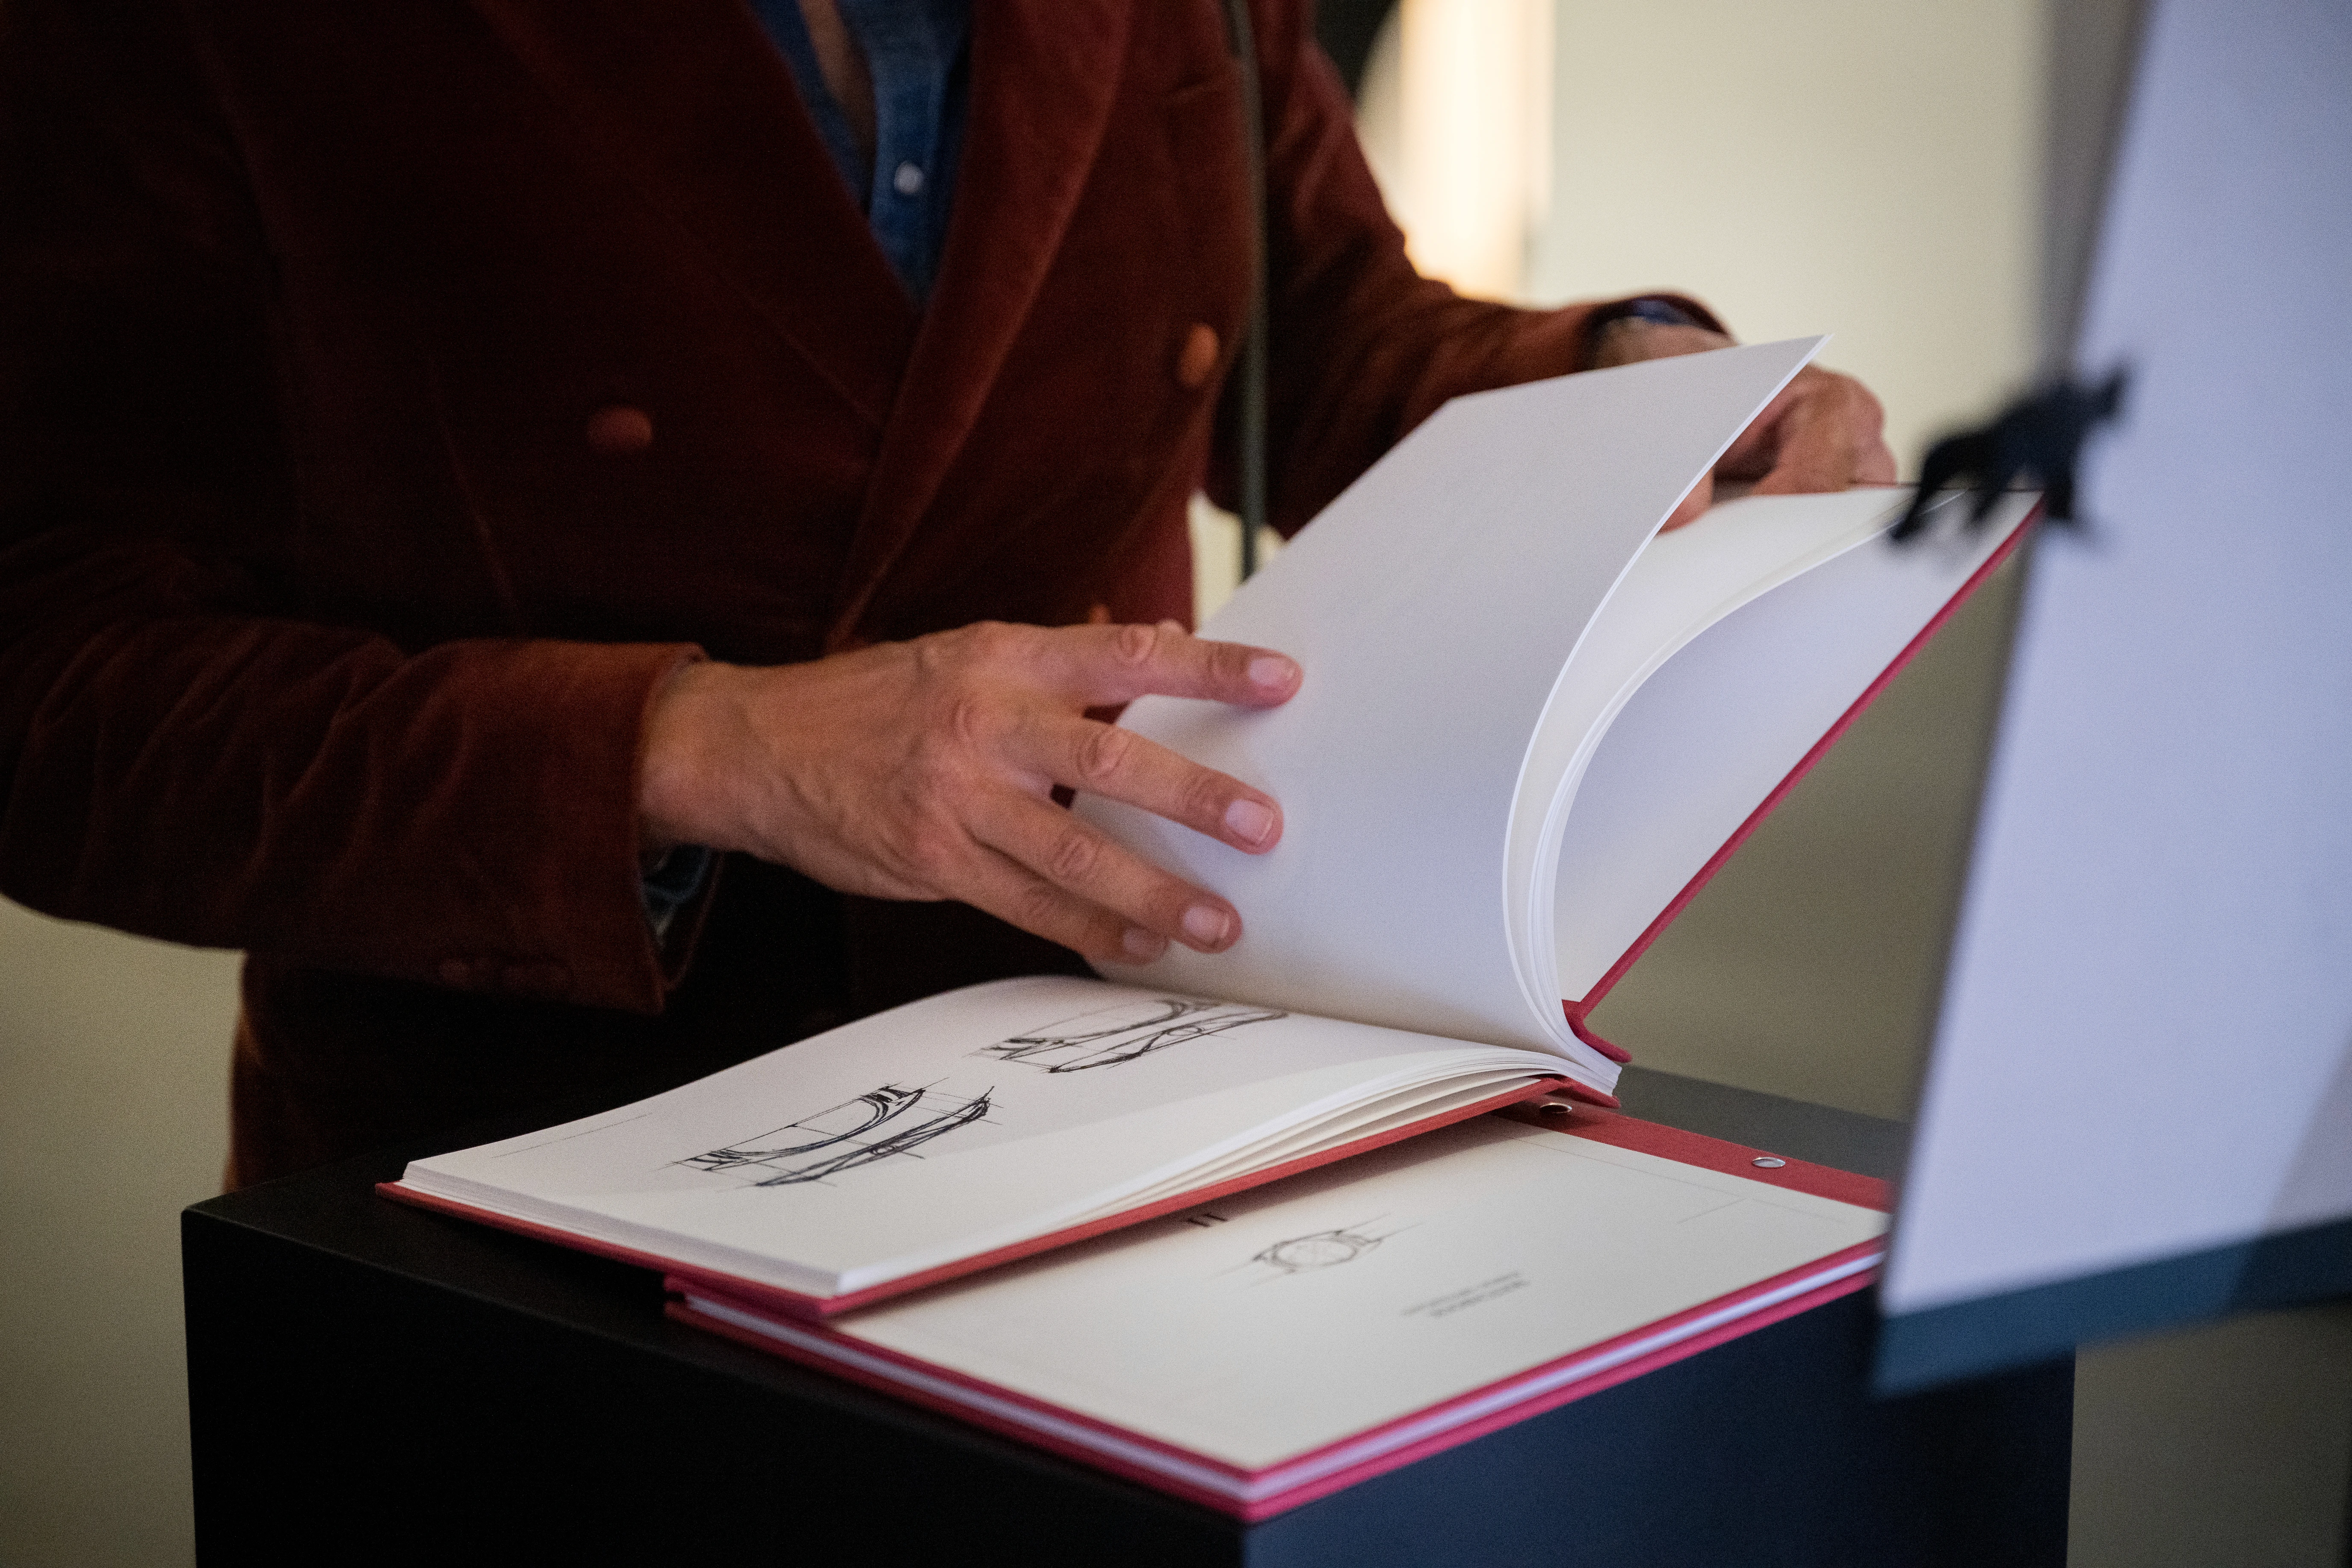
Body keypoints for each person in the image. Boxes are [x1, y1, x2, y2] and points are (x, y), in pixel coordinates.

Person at [0, 0, 1894, 1187]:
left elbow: (1303, 320)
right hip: (509, 1197)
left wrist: (1624, 390)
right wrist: (705, 746)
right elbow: (54, 690)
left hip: (1115, 1129)